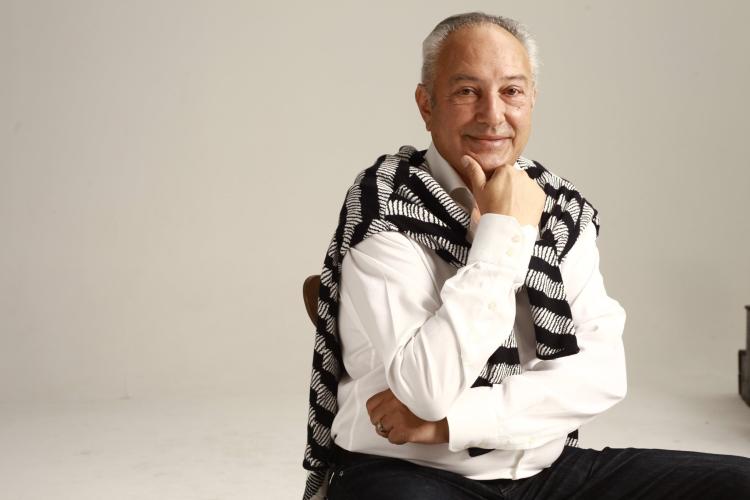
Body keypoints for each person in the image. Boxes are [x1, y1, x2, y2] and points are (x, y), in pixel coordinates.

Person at [302, 11, 750, 500]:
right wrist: (502, 231)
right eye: (467, 91)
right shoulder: (384, 206)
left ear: (532, 99)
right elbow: (425, 388)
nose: (493, 115)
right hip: (407, 473)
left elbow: (601, 376)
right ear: (426, 104)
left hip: (546, 473)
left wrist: (451, 423)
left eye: (512, 91)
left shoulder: (560, 209)